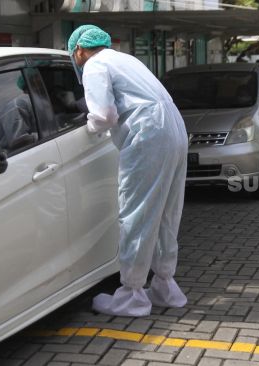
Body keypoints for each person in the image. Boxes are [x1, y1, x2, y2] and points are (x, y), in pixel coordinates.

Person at [68, 25, 188, 317]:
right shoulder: (126, 59)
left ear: (80, 50)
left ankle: (132, 295)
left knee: (137, 213)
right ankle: (165, 286)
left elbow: (104, 115)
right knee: (166, 212)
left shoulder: (94, 66)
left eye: (75, 55)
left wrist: (88, 128)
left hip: (148, 134)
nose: (76, 60)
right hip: (174, 127)